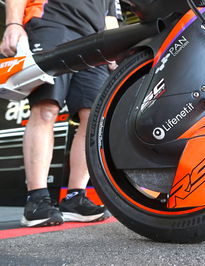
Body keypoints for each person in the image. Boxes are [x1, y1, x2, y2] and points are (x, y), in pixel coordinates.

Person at [0, 0, 121, 227]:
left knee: (93, 118)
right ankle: (36, 199)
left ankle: (75, 198)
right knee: (46, 108)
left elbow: (110, 16)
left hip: (95, 39)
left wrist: (114, 50)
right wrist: (13, 24)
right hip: (52, 22)